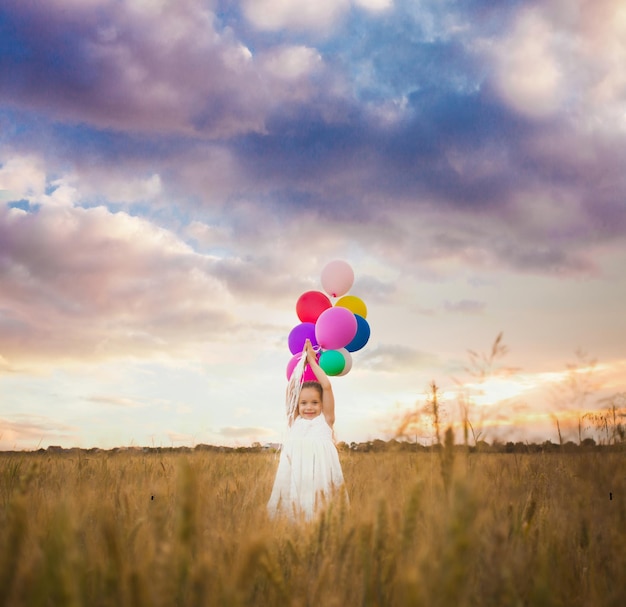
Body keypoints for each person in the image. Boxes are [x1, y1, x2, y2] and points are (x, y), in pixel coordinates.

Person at [267, 339, 346, 520]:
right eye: (303, 403)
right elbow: (291, 389)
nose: (309, 407)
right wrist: (301, 362)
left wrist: (311, 361)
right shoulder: (294, 421)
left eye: (314, 402)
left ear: (321, 404)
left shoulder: (325, 421)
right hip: (296, 477)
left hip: (320, 476)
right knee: (294, 510)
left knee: (321, 509)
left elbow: (326, 386)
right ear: (298, 404)